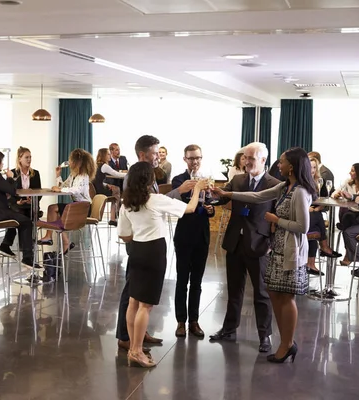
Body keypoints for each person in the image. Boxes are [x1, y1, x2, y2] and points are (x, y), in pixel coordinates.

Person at [213, 147, 315, 363]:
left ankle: (278, 341)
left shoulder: (299, 191)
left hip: (280, 250)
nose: (280, 165)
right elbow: (257, 196)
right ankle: (282, 343)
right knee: (272, 294)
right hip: (268, 248)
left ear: (292, 166)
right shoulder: (285, 186)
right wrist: (227, 194)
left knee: (278, 297)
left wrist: (276, 221)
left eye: (283, 162)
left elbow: (303, 227)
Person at [118, 161, 206, 367]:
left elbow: (124, 234)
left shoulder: (126, 202)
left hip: (136, 250)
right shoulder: (155, 200)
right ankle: (138, 351)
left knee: (133, 302)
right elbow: (190, 208)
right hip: (154, 251)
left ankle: (132, 348)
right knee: (145, 306)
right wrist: (198, 189)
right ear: (150, 180)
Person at [209, 142, 278, 353]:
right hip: (235, 242)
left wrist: (271, 244)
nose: (246, 162)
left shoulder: (274, 184)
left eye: (251, 158)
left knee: (261, 293)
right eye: (245, 158)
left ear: (263, 160)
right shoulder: (238, 179)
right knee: (233, 289)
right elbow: (222, 197)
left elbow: (278, 217)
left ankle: (264, 335)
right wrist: (211, 196)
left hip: (259, 245)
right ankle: (229, 328)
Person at [172, 144, 215, 338]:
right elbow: (181, 204)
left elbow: (211, 203)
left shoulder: (207, 180)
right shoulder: (179, 180)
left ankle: (194, 321)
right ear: (184, 159)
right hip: (184, 234)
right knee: (182, 280)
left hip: (202, 234)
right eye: (191, 158)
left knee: (197, 281)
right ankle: (181, 321)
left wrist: (210, 209)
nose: (195, 161)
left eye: (197, 158)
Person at [0, 150, 37, 268]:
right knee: (27, 222)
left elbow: (4, 192)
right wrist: (10, 178)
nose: (2, 164)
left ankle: (5, 246)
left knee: (20, 218)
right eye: (1, 162)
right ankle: (27, 258)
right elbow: (11, 190)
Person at [38, 148, 96, 253]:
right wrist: (58, 175)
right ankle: (65, 242)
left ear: (77, 162)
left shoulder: (83, 176)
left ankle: (48, 236)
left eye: (71, 160)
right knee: (55, 212)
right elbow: (63, 185)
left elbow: (76, 190)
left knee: (52, 208)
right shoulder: (73, 175)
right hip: (75, 206)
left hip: (83, 209)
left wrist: (59, 189)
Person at [331, 163, 359, 266]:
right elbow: (334, 193)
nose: (349, 173)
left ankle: (349, 254)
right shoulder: (348, 182)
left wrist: (354, 198)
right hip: (350, 214)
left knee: (347, 225)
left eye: (352, 171)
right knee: (348, 219)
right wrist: (337, 194)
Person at [307, 157, 340, 275]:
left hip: (312, 215)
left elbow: (325, 198)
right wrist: (308, 209)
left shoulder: (318, 181)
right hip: (301, 216)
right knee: (317, 216)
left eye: (314, 167)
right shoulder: (300, 181)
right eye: (310, 167)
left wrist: (319, 207)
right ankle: (325, 247)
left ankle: (311, 264)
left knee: (315, 230)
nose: (312, 170)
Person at [5, 146, 42, 253]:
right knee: (21, 215)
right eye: (26, 157)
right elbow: (8, 193)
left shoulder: (35, 173)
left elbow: (39, 192)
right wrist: (17, 201)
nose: (29, 160)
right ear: (19, 159)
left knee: (29, 214)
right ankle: (27, 248)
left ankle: (10, 245)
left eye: (30, 157)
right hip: (17, 205)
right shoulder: (12, 173)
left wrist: (33, 200)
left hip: (31, 205)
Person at [93, 148, 125, 226]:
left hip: (96, 189)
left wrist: (106, 185)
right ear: (104, 155)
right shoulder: (104, 166)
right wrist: (130, 174)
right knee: (117, 189)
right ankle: (113, 217)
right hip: (101, 190)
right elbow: (116, 174)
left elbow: (96, 180)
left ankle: (112, 217)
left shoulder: (95, 164)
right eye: (108, 154)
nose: (110, 155)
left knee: (114, 189)